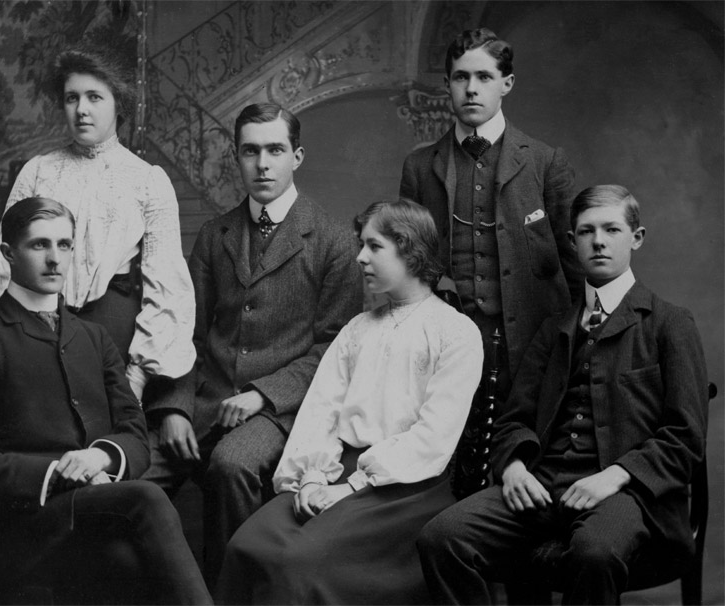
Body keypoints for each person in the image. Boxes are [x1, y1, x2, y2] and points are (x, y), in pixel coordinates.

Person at [417, 185, 709, 605]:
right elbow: (513, 420)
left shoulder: (668, 324)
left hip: (629, 494)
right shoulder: (555, 329)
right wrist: (515, 467)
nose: (600, 241)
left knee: (595, 553)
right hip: (543, 487)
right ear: (572, 243)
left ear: (636, 238)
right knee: (441, 537)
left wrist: (616, 476)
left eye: (612, 229)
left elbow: (685, 436)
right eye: (587, 232)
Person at [0, 197, 211, 605]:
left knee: (131, 562)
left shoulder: (92, 338)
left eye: (64, 245)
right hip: (29, 521)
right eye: (40, 245)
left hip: (97, 511)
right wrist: (63, 471)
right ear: (8, 254)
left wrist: (100, 458)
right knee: (146, 497)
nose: (55, 259)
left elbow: (134, 435)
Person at [216, 200, 483, 605]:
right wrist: (310, 476)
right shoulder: (358, 329)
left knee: (298, 564)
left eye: (374, 247)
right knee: (246, 546)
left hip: (405, 488)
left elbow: (434, 436)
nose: (360, 257)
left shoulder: (456, 332)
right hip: (334, 470)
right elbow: (321, 410)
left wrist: (352, 486)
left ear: (409, 249)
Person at [141, 102, 364, 585]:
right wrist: (175, 407)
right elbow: (187, 333)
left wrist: (263, 393)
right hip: (204, 401)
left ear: (297, 157)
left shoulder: (332, 240)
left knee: (231, 464)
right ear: (236, 158)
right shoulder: (214, 233)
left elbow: (333, 348)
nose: (262, 164)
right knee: (135, 481)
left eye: (275, 150)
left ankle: (238, 592)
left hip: (279, 410)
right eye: (250, 151)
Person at [0, 41, 194, 405]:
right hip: (36, 321)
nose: (81, 110)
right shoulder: (38, 171)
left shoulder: (147, 180)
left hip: (110, 328)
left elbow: (167, 283)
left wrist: (136, 376)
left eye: (94, 97)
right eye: (71, 98)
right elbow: (3, 267)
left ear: (118, 104)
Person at [399, 28, 584, 399]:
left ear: (506, 83)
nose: (471, 88)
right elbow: (407, 270)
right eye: (461, 77)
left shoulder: (544, 162)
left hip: (533, 347)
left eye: (484, 77)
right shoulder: (420, 167)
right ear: (447, 83)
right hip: (445, 351)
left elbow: (574, 266)